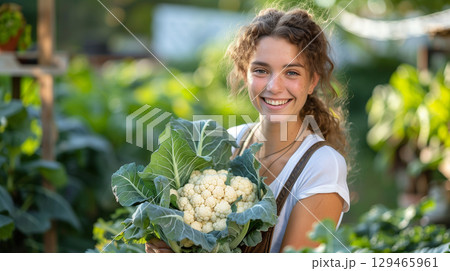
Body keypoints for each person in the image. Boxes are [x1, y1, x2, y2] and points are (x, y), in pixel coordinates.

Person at [146, 7, 350, 253]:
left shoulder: (322, 165)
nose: (274, 86)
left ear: (312, 82)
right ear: (245, 74)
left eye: (292, 72)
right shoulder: (230, 140)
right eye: (261, 70)